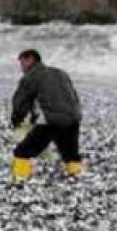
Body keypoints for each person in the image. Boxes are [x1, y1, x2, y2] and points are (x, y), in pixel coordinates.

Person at [10, 49, 83, 182]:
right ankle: (76, 175)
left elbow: (20, 101)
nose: (21, 68)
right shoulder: (60, 73)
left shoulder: (31, 76)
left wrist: (17, 120)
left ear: (30, 59)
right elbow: (73, 96)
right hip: (73, 118)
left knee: (22, 152)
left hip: (51, 121)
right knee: (70, 153)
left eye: (22, 63)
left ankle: (20, 177)